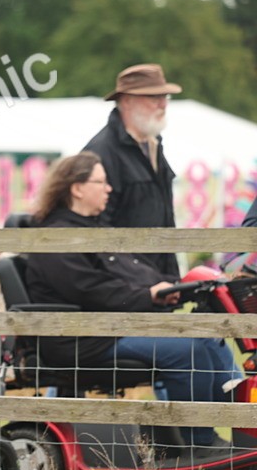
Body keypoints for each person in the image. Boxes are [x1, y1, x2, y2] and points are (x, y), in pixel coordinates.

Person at [24, 152, 240, 449]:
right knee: (189, 352)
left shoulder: (90, 229)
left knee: (208, 339)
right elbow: (90, 289)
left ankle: (242, 419)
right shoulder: (57, 236)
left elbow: (130, 273)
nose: (109, 188)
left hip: (106, 328)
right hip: (82, 338)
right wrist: (149, 294)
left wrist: (164, 289)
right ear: (77, 188)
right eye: (101, 182)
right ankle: (200, 443)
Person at [83, 63, 182, 279]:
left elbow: (165, 219)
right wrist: (140, 278)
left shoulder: (153, 146)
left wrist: (171, 278)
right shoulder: (101, 152)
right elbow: (97, 228)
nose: (163, 104)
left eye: (165, 97)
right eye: (154, 98)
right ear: (126, 101)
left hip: (155, 280)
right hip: (124, 285)